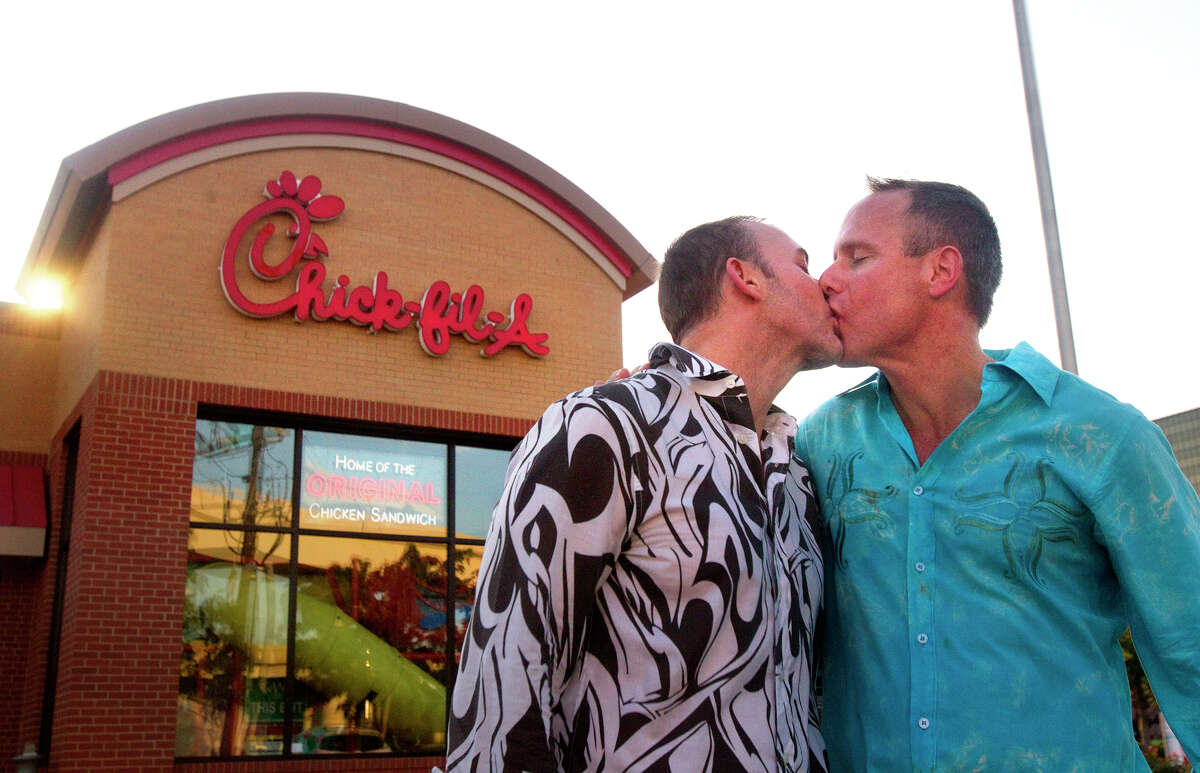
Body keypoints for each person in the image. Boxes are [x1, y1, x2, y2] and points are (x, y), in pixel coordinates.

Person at [796, 178, 1200, 772]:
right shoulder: (819, 442)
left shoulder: (1101, 436)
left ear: (941, 272)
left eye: (857, 258)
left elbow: (1190, 640)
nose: (827, 280)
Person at [446, 217, 842, 772]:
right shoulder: (605, 426)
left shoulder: (803, 466)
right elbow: (506, 673)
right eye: (801, 264)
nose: (823, 281)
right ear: (745, 277)